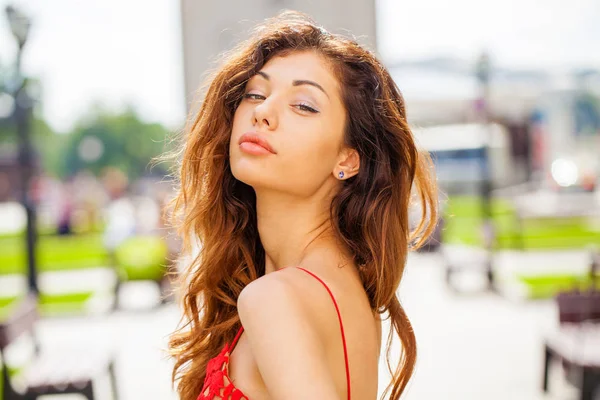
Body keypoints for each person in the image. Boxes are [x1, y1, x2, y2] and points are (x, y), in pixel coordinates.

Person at [168, 11, 437, 400]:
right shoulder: (339, 287)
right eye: (256, 94)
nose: (262, 111)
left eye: (304, 106)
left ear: (347, 158)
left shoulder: (275, 299)